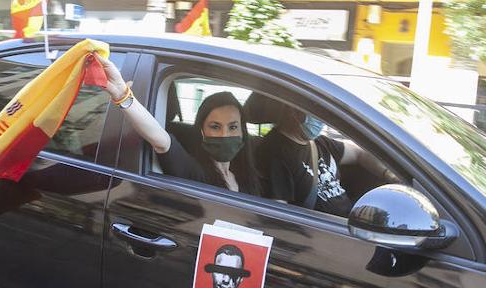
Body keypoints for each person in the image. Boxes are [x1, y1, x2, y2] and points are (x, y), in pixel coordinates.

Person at [94, 55, 261, 195]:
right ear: (202, 131)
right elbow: (161, 141)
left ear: (242, 131)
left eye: (232, 127)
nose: (224, 135)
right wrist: (123, 96)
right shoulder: (195, 172)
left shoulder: (247, 177)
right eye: (215, 127)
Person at [259, 105, 392, 217]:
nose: (321, 121)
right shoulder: (275, 152)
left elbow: (359, 153)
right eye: (315, 115)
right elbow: (279, 211)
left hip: (348, 222)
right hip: (325, 233)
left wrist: (389, 175)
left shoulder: (318, 143)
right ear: (294, 112)